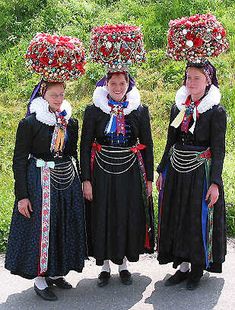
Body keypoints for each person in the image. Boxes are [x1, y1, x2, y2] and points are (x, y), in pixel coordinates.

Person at [5, 80, 87, 301]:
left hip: (65, 181)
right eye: (54, 95)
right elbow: (19, 159)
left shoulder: (71, 122)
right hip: (39, 181)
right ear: (43, 96)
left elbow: (72, 153)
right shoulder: (30, 123)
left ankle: (57, 271)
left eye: (61, 95)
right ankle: (40, 278)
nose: (59, 100)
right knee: (42, 228)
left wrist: (80, 180)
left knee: (62, 224)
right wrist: (22, 196)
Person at [156, 60, 227, 290]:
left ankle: (197, 268)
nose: (191, 82)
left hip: (201, 173)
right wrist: (161, 171)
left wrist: (215, 183)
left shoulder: (215, 112)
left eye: (196, 78)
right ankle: (182, 266)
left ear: (208, 81)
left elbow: (219, 149)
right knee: (179, 215)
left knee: (196, 218)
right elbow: (171, 141)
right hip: (177, 171)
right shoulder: (179, 107)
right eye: (188, 77)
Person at [80, 70, 154, 287]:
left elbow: (147, 145)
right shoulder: (94, 111)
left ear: (129, 84)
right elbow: (85, 146)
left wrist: (149, 178)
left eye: (122, 83)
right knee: (103, 214)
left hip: (130, 171)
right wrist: (86, 179)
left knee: (125, 214)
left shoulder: (139, 110)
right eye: (113, 83)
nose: (118, 87)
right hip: (101, 171)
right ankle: (104, 266)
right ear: (106, 84)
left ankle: (123, 264)